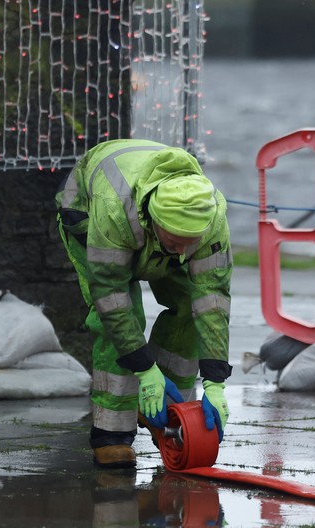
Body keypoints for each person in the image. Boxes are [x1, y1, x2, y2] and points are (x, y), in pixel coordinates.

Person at [56, 139, 232, 468]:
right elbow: (112, 298)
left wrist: (215, 381)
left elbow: (213, 301)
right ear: (153, 222)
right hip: (88, 215)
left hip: (146, 223)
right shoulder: (113, 210)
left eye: (190, 243)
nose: (182, 252)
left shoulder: (209, 217)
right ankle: (111, 434)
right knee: (123, 318)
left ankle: (166, 411)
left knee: (190, 311)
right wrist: (145, 369)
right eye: (175, 241)